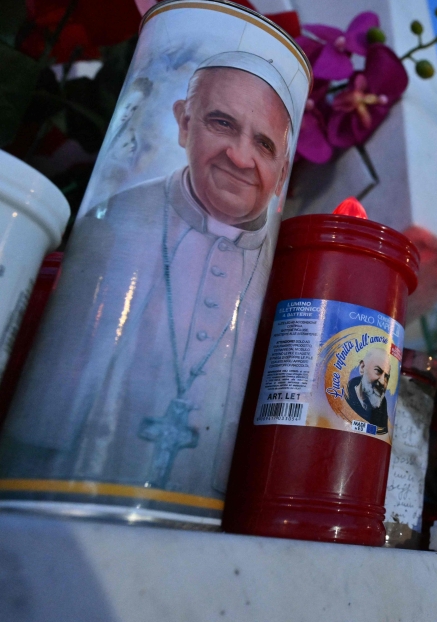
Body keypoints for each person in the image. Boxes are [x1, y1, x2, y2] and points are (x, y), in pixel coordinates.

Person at [0, 51, 295, 496]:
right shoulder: (116, 219)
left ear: (282, 172)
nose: (239, 156)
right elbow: (44, 421)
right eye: (222, 123)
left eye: (265, 145)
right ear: (184, 123)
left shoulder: (284, 271)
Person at [345, 348, 392, 434]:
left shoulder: (382, 407)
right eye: (378, 371)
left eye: (386, 377)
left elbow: (381, 435)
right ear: (362, 367)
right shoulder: (343, 397)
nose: (382, 382)